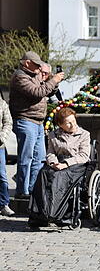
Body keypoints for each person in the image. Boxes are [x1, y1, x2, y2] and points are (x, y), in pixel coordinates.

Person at [9, 51, 65, 198]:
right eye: (37, 65)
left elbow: (48, 92)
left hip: (38, 122)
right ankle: (22, 191)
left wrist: (53, 81)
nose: (39, 68)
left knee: (39, 158)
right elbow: (37, 92)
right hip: (25, 120)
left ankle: (33, 189)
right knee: (26, 157)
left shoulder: (34, 75)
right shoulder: (20, 76)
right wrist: (53, 80)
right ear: (27, 63)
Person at [28, 107, 90, 226]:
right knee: (43, 173)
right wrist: (53, 163)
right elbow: (50, 153)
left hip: (76, 165)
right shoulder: (53, 135)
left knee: (59, 176)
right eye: (68, 123)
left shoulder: (84, 134)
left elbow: (83, 155)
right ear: (60, 125)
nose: (73, 125)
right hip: (58, 162)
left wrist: (66, 164)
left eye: (73, 121)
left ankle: (55, 214)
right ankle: (39, 214)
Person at [0, 96, 12, 216]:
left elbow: (8, 123)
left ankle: (4, 204)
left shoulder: (2, 103)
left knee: (2, 175)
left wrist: (2, 137)